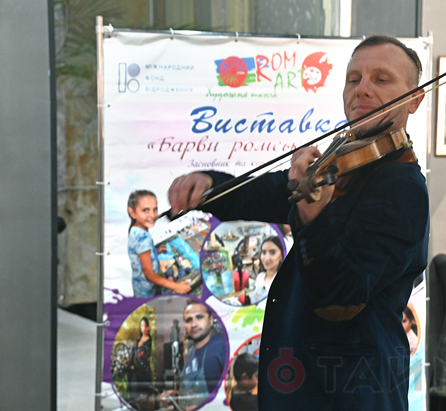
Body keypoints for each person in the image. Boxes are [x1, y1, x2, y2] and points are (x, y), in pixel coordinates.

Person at [168, 35, 429, 411]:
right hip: (301, 385)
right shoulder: (344, 162)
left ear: (414, 99)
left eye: (382, 79)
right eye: (353, 79)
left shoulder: (402, 188)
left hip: (349, 393)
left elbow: (342, 297)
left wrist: (314, 219)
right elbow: (269, 193)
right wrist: (210, 186)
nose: (362, 89)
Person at [127, 190, 192, 297]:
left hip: (143, 286)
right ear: (133, 213)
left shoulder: (136, 230)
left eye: (155, 209)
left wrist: (155, 252)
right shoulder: (142, 237)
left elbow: (140, 257)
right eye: (145, 210)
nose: (152, 215)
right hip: (146, 292)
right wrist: (175, 286)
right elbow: (149, 274)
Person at [177, 301, 227, 410]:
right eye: (188, 320)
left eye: (199, 317)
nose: (193, 324)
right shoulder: (191, 352)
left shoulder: (223, 346)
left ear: (210, 320)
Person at [128, 316, 153, 405]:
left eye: (144, 325)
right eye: (141, 325)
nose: (143, 328)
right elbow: (134, 352)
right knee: (134, 394)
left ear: (147, 327)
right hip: (135, 370)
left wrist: (142, 354)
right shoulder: (138, 339)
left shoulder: (149, 340)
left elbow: (148, 354)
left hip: (144, 371)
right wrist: (130, 363)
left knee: (144, 396)